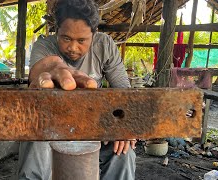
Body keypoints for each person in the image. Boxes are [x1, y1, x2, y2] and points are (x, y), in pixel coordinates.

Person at [17, 0, 136, 179]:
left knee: (123, 151)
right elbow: (39, 72)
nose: (73, 47)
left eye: (81, 40)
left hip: (93, 126)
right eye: (66, 38)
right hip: (53, 126)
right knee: (34, 137)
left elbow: (123, 91)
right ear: (57, 31)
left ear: (94, 34)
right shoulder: (43, 46)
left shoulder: (104, 45)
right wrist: (53, 67)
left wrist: (124, 126)